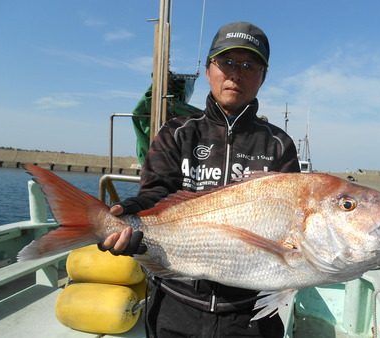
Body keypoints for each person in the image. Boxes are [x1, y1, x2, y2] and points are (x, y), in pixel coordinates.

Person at [100, 21, 301, 338]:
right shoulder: (177, 133)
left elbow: (291, 224)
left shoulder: (278, 145)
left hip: (250, 318)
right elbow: (154, 195)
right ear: (209, 70)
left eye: (249, 65)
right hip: (175, 304)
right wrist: (124, 216)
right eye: (227, 62)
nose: (236, 73)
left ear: (263, 77)